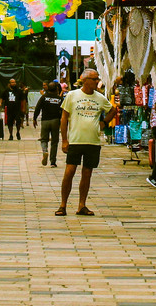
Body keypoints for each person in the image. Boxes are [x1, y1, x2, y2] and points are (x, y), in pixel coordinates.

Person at [55, 69, 113, 216]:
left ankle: (82, 205)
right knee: (69, 172)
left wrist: (104, 123)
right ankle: (63, 204)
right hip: (75, 140)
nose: (96, 81)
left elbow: (113, 110)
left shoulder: (100, 98)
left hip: (93, 142)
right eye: (94, 79)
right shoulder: (72, 95)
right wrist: (64, 140)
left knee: (87, 173)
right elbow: (64, 118)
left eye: (97, 79)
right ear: (85, 80)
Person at [34, 82, 65, 167]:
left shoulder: (44, 97)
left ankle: (45, 151)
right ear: (56, 89)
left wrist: (34, 119)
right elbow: (63, 111)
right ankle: (53, 162)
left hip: (45, 121)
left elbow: (37, 108)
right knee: (54, 141)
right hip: (55, 121)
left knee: (44, 139)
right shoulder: (59, 99)